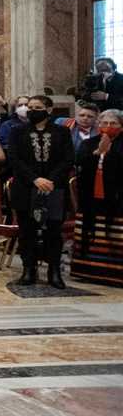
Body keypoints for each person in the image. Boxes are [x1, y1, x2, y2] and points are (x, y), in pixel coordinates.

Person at [8, 95, 75, 288]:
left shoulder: (62, 132)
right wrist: (35, 179)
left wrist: (51, 180)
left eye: (37, 107)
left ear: (49, 110)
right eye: (29, 107)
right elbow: (14, 159)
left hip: (54, 188)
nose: (31, 110)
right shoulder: (17, 131)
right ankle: (29, 269)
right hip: (26, 187)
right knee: (27, 230)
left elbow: (68, 159)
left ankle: (54, 271)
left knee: (54, 231)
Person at [71, 108, 123, 287]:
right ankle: (88, 271)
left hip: (117, 198)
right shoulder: (89, 143)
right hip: (90, 197)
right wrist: (97, 152)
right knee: (91, 231)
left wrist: (110, 152)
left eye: (113, 123)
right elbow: (79, 163)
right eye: (104, 123)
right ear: (98, 125)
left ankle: (116, 273)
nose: (108, 126)